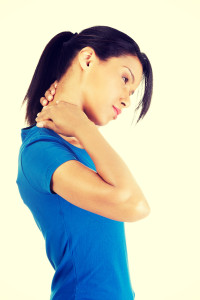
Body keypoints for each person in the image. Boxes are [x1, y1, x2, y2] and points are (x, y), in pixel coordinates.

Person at [16, 25, 153, 300]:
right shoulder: (41, 151)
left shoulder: (80, 145)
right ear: (87, 59)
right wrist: (80, 123)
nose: (127, 100)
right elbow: (135, 205)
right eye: (125, 79)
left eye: (133, 91)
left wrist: (78, 125)